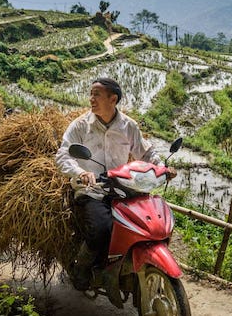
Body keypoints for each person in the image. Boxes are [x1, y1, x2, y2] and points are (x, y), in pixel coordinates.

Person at [55, 77, 175, 290]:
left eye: (97, 94)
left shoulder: (128, 126)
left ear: (113, 99)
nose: (91, 99)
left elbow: (146, 152)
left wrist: (161, 168)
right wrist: (81, 172)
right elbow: (63, 155)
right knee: (101, 230)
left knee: (148, 224)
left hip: (123, 189)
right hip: (93, 190)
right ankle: (81, 270)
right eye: (90, 94)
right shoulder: (81, 126)